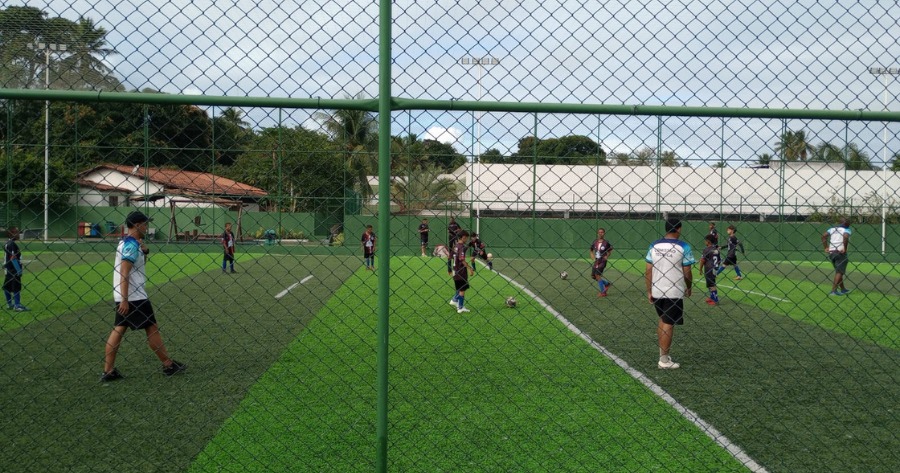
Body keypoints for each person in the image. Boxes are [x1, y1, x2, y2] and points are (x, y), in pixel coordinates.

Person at [102, 211, 185, 382]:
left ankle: (108, 371)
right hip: (134, 296)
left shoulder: (130, 243)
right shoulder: (131, 245)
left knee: (119, 329)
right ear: (137, 225)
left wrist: (145, 252)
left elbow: (136, 267)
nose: (147, 227)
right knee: (151, 328)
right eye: (145, 223)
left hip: (128, 294)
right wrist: (125, 299)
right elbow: (125, 272)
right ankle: (168, 365)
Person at [645, 218, 695, 370]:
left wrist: (649, 290)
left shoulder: (654, 245)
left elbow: (648, 270)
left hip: (657, 289)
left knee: (662, 319)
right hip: (673, 291)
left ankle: (663, 355)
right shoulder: (684, 246)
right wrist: (689, 286)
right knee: (669, 323)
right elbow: (687, 271)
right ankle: (664, 361)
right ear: (679, 229)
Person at [822, 218, 852, 296]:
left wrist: (826, 247)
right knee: (839, 272)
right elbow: (845, 237)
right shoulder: (847, 230)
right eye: (848, 223)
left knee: (838, 271)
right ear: (847, 224)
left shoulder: (832, 229)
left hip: (832, 252)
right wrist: (844, 248)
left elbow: (823, 236)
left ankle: (843, 289)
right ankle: (833, 291)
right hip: (840, 252)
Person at [448, 230, 474, 314]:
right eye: (466, 237)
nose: (466, 239)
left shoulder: (456, 246)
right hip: (461, 270)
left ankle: (455, 300)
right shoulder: (461, 247)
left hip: (455, 270)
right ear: (463, 237)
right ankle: (460, 307)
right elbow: (462, 259)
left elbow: (450, 257)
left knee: (459, 287)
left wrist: (449, 269)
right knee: (462, 289)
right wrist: (470, 268)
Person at [3, 227, 28, 311]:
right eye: (16, 232)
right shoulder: (12, 244)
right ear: (11, 234)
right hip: (13, 270)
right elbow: (13, 258)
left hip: (8, 269)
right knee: (16, 287)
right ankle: (17, 305)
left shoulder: (8, 243)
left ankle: (10, 304)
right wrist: (18, 270)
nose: (18, 234)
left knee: (7, 287)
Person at [589, 228, 614, 297]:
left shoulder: (606, 242)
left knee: (598, 275)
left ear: (604, 233)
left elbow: (610, 250)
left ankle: (603, 292)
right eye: (599, 232)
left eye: (602, 232)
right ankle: (607, 283)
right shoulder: (595, 242)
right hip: (596, 261)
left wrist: (607, 256)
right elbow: (591, 250)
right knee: (593, 276)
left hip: (603, 261)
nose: (601, 233)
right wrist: (593, 257)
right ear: (597, 233)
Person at [698, 235, 721, 306]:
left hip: (708, 268)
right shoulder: (716, 249)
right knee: (711, 283)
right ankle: (711, 297)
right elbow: (719, 260)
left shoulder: (706, 249)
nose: (704, 242)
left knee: (711, 284)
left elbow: (702, 260)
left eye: (705, 241)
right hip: (714, 268)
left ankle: (715, 300)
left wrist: (700, 269)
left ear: (708, 242)